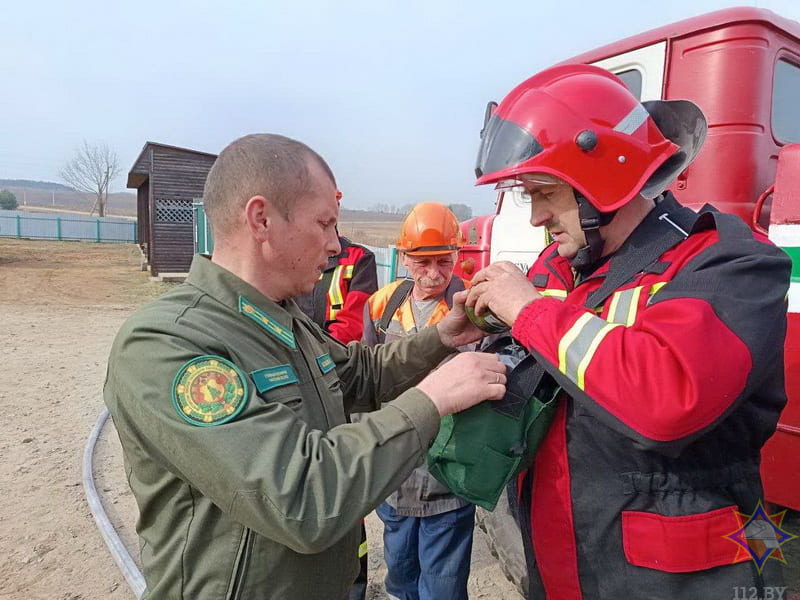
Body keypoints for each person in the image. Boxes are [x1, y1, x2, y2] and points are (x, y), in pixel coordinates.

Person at [103, 133, 508, 600]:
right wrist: (434, 398)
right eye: (325, 223)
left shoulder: (280, 319)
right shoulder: (167, 343)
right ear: (262, 219)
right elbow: (302, 497)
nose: (337, 245)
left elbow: (360, 374)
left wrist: (442, 337)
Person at [465, 64, 790, 598]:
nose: (537, 218)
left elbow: (667, 398)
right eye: (529, 196)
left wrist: (526, 311)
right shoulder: (560, 266)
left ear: (604, 181)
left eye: (544, 193)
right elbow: (542, 349)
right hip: (568, 565)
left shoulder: (730, 263)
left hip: (687, 578)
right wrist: (481, 317)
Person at [362, 202, 475, 600]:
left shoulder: (473, 307)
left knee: (442, 586)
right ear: (404, 258)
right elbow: (366, 381)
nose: (433, 273)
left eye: (444, 261)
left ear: (457, 256)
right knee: (401, 577)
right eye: (422, 262)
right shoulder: (382, 304)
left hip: (447, 476)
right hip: (395, 473)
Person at [294, 197, 378, 599]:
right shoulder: (287, 261)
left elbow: (352, 326)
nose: (329, 240)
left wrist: (304, 353)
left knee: (341, 487)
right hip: (294, 389)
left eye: (331, 223)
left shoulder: (357, 259)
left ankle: (355, 585)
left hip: (333, 385)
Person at [295, 193, 378, 345]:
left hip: (338, 358)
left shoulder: (360, 258)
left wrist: (322, 354)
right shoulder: (291, 256)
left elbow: (354, 321)